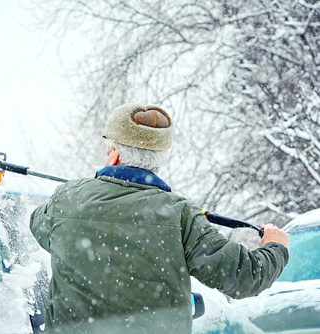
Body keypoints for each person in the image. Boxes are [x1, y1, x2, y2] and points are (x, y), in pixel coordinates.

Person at [30, 103, 290, 334]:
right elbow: (243, 276)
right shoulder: (180, 214)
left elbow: (37, 224)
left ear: (114, 153)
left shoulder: (68, 199)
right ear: (158, 161)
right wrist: (275, 248)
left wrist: (86, 196)